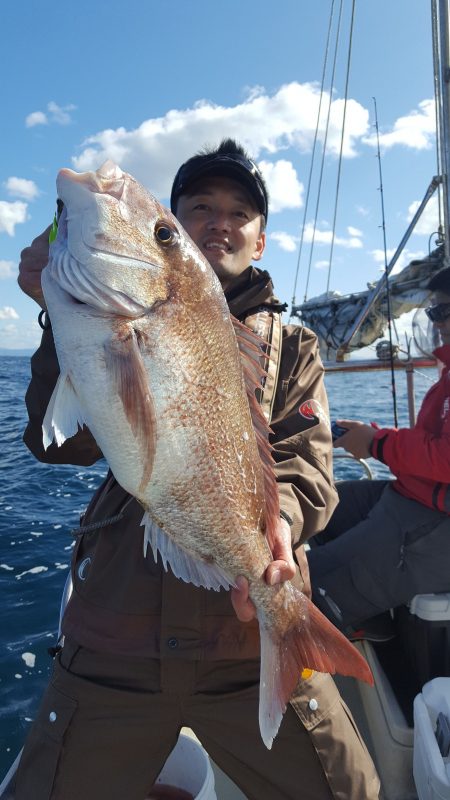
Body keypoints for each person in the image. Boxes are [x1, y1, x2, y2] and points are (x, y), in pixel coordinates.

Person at [15, 139, 379, 800]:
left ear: (261, 240)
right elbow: (57, 445)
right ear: (179, 227)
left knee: (352, 791)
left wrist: (276, 542)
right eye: (199, 208)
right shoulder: (105, 309)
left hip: (243, 644)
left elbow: (308, 472)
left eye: (240, 212)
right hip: (115, 638)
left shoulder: (292, 348)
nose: (221, 221)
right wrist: (56, 312)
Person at [307, 266, 450, 639]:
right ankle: (365, 613)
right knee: (319, 505)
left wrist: (376, 443)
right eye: (432, 311)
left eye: (441, 311)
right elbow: (433, 444)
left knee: (302, 586)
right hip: (411, 496)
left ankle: (335, 609)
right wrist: (374, 436)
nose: (434, 322)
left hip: (434, 523)